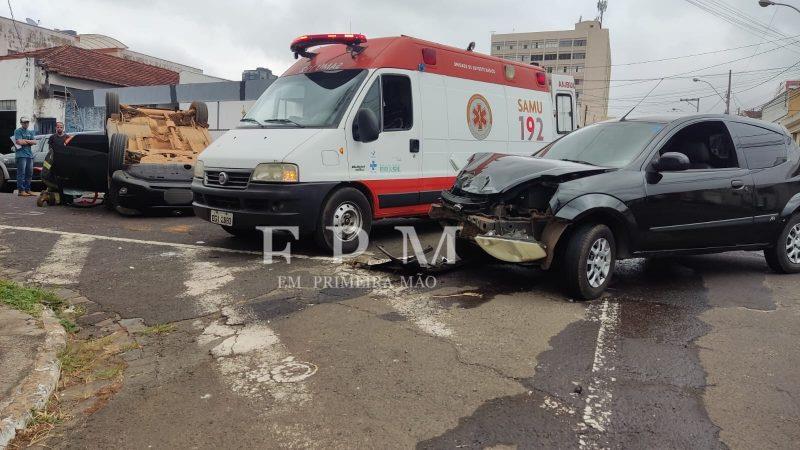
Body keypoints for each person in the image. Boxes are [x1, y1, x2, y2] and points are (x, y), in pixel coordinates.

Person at [13, 116, 37, 197]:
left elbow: (35, 142)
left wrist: (25, 141)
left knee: (29, 173)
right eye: (24, 122)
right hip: (21, 155)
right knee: (21, 173)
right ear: (21, 123)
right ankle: (21, 190)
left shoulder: (30, 132)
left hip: (29, 155)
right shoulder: (17, 131)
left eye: (27, 122)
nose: (26, 123)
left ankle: (27, 189)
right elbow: (19, 142)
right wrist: (29, 141)